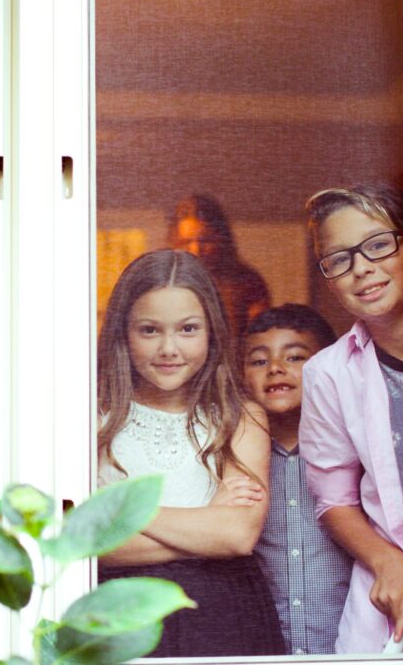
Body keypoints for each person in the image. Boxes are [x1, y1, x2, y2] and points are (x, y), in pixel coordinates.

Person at [96, 248, 284, 657]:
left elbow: (236, 535)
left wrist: (120, 511)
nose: (168, 348)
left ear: (212, 331)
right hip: (120, 617)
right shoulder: (93, 421)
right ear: (123, 334)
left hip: (222, 614)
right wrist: (205, 524)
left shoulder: (241, 418)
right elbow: (88, 544)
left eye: (187, 329)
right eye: (149, 330)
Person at [298, 184, 403, 653]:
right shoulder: (328, 373)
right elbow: (333, 500)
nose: (361, 268)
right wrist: (388, 561)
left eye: (377, 245)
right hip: (389, 585)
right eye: (339, 259)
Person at [243, 304, 353, 655]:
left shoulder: (352, 456)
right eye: (259, 361)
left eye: (294, 357)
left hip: (347, 647)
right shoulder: (236, 464)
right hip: (263, 649)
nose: (275, 369)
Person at [168, 193, 270, 340]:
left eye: (205, 240)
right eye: (186, 242)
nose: (196, 250)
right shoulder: (163, 282)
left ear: (221, 238)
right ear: (175, 242)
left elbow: (260, 340)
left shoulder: (247, 283)